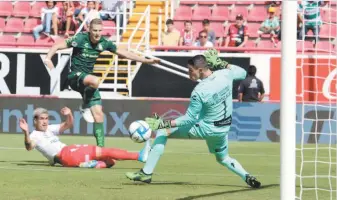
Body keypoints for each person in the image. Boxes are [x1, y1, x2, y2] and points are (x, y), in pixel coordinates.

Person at [125, 49, 261, 188]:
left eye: (191, 70)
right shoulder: (225, 74)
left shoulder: (199, 91)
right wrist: (221, 63)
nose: (189, 73)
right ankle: (247, 176)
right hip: (223, 130)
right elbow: (243, 73)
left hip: (206, 129)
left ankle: (146, 173)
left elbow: (189, 119)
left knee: (163, 131)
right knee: (224, 158)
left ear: (200, 70)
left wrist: (161, 124)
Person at [44, 18, 159, 147]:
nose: (97, 33)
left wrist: (145, 60)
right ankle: (86, 104)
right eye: (94, 30)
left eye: (100, 30)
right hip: (74, 77)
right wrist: (48, 58)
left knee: (99, 115)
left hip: (88, 84)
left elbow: (124, 53)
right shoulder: (81, 38)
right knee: (95, 80)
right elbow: (58, 45)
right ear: (89, 30)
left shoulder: (104, 43)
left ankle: (101, 149)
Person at [19, 107, 151, 168]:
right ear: (35, 121)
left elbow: (67, 124)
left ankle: (88, 164)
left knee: (111, 161)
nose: (45, 122)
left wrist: (69, 114)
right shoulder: (34, 135)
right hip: (66, 154)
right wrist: (26, 132)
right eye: (42, 119)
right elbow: (29, 147)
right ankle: (139, 156)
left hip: (69, 156)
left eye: (46, 119)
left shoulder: (49, 129)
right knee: (105, 151)